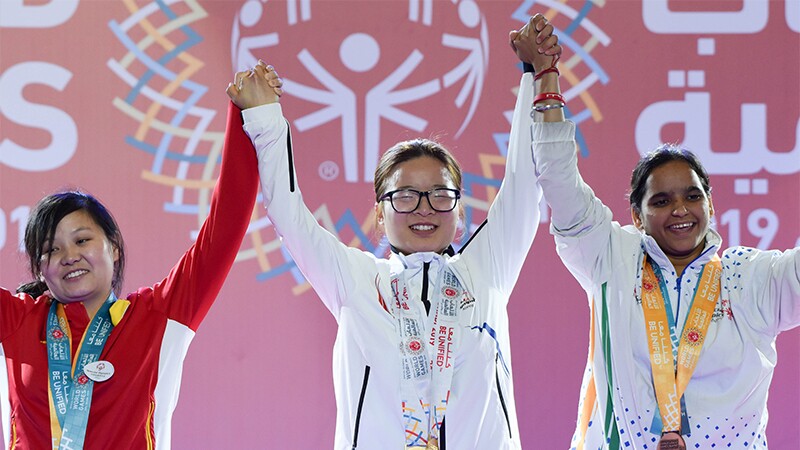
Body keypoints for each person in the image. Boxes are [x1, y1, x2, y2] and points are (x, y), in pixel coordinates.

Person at [225, 15, 560, 450]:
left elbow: (522, 179)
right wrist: (266, 117)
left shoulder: (486, 269)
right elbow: (288, 213)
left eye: (440, 194)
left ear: (459, 209)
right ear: (380, 214)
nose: (424, 209)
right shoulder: (354, 279)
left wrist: (536, 74)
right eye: (405, 196)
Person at [526, 24, 800, 450]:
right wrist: (545, 76)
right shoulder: (610, 257)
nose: (679, 210)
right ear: (636, 215)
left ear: (711, 206)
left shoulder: (750, 278)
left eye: (693, 196)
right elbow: (558, 182)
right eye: (661, 201)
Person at [2, 101, 259, 449]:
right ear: (40, 270)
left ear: (114, 248)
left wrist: (247, 112)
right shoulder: (15, 323)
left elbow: (223, 228)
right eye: (51, 249)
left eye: (81, 240)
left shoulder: (156, 318)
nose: (69, 256)